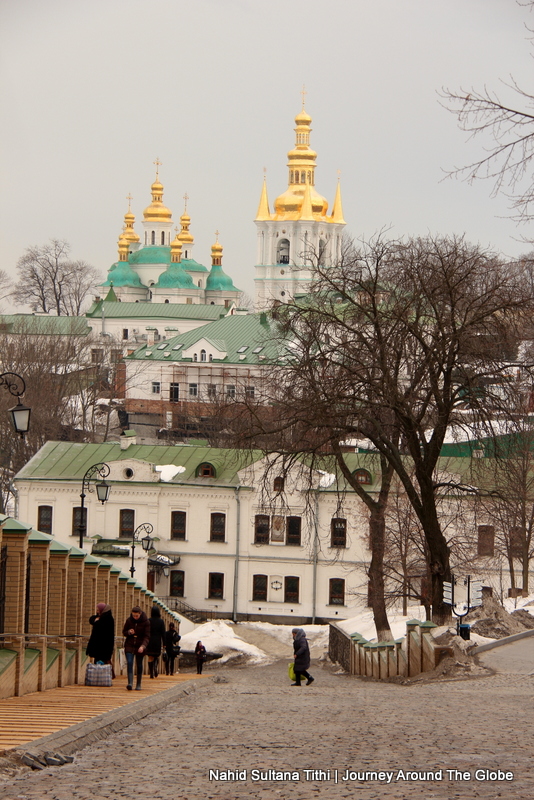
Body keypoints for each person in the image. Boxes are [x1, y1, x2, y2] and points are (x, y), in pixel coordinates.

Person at [122, 606, 150, 690]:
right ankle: (130, 682)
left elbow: (147, 636)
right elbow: (124, 632)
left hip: (140, 644)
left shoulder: (146, 622)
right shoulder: (129, 620)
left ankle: (138, 684)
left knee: (139, 664)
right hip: (130, 644)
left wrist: (143, 646)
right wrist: (129, 632)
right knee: (129, 662)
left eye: (136, 616)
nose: (135, 617)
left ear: (140, 614)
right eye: (133, 615)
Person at [86, 602, 115, 677]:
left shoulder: (108, 619)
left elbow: (101, 627)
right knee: (99, 660)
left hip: (104, 644)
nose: (97, 611)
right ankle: (98, 676)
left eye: (98, 610)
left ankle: (110, 675)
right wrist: (95, 620)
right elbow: (92, 619)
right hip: (98, 644)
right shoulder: (100, 617)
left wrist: (96, 622)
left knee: (105, 660)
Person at [146, 606, 166, 679]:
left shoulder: (148, 620)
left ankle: (151, 672)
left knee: (150, 657)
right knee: (156, 656)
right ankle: (155, 667)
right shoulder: (161, 621)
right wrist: (164, 643)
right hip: (157, 640)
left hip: (149, 641)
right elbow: (163, 633)